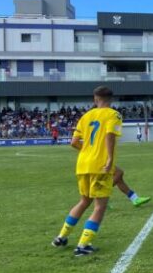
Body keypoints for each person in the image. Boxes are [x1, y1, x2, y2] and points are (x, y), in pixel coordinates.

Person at [52, 86, 121, 256]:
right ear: (111, 99)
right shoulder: (113, 114)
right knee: (100, 206)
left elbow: (74, 142)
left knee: (84, 201)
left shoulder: (85, 116)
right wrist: (109, 158)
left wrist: (88, 151)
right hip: (100, 165)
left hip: (82, 164)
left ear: (95, 98)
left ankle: (61, 237)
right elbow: (109, 135)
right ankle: (83, 245)